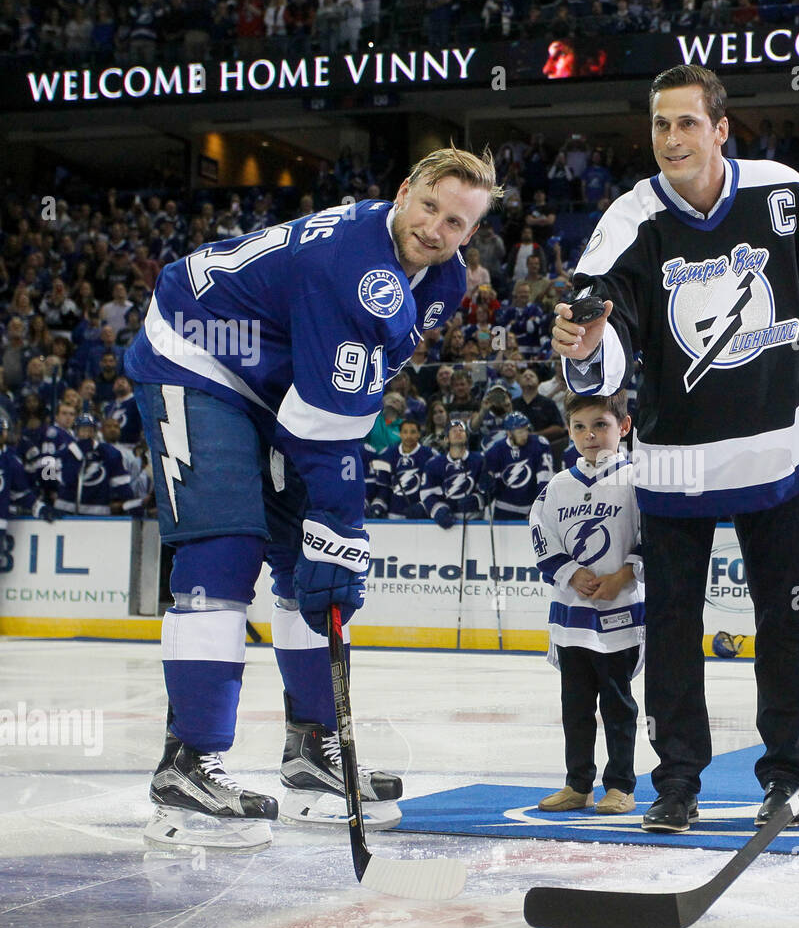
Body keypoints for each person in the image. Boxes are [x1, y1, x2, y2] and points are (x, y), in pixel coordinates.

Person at [123, 146, 500, 850]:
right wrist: (341, 524)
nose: (436, 228)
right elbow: (330, 425)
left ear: (470, 234)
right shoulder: (356, 269)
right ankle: (186, 767)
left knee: (306, 570)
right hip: (196, 353)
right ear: (402, 191)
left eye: (456, 221)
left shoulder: (442, 280)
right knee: (223, 551)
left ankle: (310, 754)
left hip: (277, 382)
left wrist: (329, 533)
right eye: (428, 207)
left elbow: (343, 398)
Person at [550, 65, 799, 833]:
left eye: (687, 123)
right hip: (676, 462)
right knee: (671, 628)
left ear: (721, 129)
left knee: (783, 623)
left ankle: (785, 776)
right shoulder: (631, 217)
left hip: (777, 451)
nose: (671, 139)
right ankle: (679, 783)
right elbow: (598, 322)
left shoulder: (784, 193)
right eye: (660, 125)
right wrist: (585, 343)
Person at [529, 389, 643, 815]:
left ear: (623, 426)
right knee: (575, 706)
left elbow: (653, 535)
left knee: (618, 703)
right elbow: (542, 536)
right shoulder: (558, 486)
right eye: (580, 427)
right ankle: (578, 784)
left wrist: (624, 574)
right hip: (571, 616)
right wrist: (569, 573)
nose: (590, 435)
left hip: (619, 613)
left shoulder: (637, 478)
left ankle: (621, 786)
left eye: (601, 425)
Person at [483, 411, 554, 521]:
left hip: (531, 506)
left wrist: (539, 506)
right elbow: (488, 482)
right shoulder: (495, 451)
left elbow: (545, 479)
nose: (525, 435)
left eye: (526, 430)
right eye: (520, 432)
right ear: (509, 433)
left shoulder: (539, 444)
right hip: (503, 509)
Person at [368, 419, 435, 519]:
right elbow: (384, 489)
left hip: (421, 518)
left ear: (419, 434)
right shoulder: (388, 454)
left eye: (413, 432)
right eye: (405, 432)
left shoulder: (430, 455)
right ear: (400, 434)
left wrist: (424, 507)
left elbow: (434, 489)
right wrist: (379, 504)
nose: (408, 436)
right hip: (394, 515)